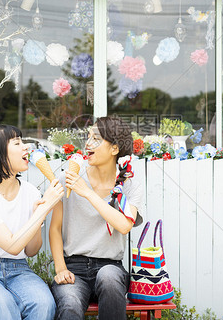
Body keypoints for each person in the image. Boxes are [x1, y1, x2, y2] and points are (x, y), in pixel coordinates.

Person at [0, 124, 63, 320]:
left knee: (43, 304)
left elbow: (31, 250)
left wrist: (37, 215)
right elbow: (12, 245)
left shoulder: (30, 191)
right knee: (3, 306)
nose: (26, 148)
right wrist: (43, 209)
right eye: (17, 143)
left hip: (19, 270)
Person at [49, 116, 143, 320]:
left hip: (110, 267)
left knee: (109, 279)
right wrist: (60, 268)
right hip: (73, 266)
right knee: (70, 304)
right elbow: (55, 228)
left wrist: (88, 193)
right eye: (88, 137)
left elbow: (125, 225)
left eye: (96, 139)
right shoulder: (69, 178)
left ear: (115, 149)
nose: (88, 144)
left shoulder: (128, 184)